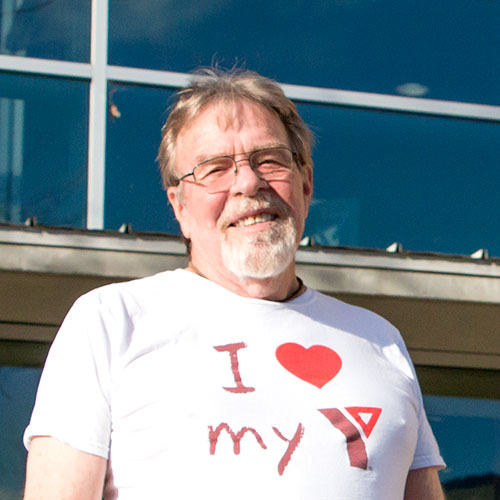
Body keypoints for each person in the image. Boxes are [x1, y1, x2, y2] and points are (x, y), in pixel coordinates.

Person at [23, 68, 445, 500]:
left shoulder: (379, 341)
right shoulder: (112, 321)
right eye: (215, 168)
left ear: (306, 183)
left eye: (269, 160)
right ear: (179, 205)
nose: (248, 183)